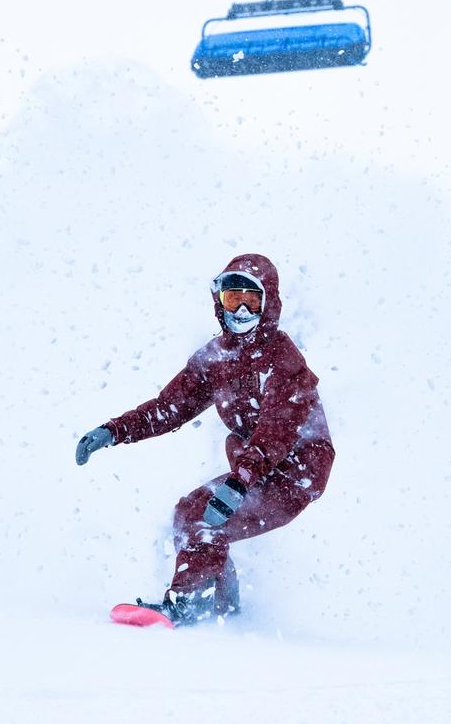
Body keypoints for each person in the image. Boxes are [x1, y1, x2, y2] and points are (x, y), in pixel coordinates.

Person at [75, 253, 335, 626]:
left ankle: (189, 603)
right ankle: (223, 610)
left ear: (269, 304)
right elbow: (169, 407)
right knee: (190, 513)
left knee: (204, 518)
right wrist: (114, 431)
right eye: (233, 299)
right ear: (219, 302)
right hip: (253, 468)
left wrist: (239, 482)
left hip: (296, 471)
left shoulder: (284, 360)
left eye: (252, 300)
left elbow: (277, 430)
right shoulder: (217, 358)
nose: (242, 310)